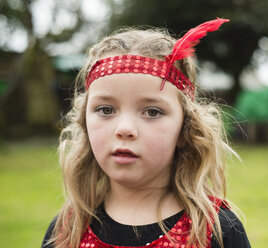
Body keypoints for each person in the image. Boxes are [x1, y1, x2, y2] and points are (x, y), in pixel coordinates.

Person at [41, 18, 251, 248]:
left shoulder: (216, 231)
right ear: (85, 122)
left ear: (185, 129)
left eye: (152, 112)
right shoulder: (66, 231)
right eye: (106, 109)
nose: (125, 129)